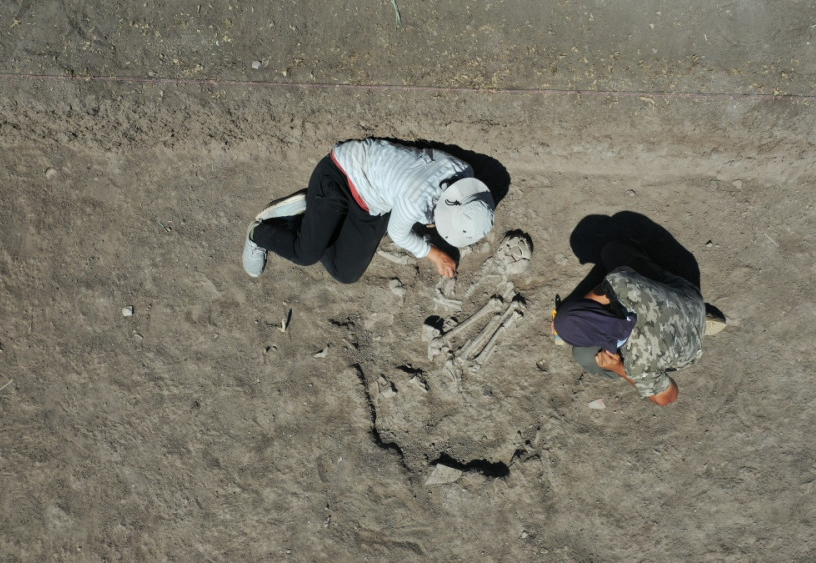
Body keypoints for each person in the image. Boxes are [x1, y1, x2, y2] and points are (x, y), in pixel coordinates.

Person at [242, 138, 496, 283]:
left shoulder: (464, 171)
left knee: (345, 272)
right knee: (305, 253)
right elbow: (399, 234)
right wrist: (436, 255)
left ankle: (314, 220)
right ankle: (260, 233)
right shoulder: (415, 199)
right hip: (339, 176)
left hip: (375, 201)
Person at [552, 240, 725, 405]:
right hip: (690, 299)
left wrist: (619, 366)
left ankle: (694, 330)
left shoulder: (638, 361)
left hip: (689, 349)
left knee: (583, 355)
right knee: (612, 251)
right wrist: (573, 314)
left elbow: (669, 397)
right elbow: (604, 289)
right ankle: (694, 316)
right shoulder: (619, 284)